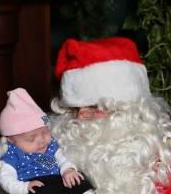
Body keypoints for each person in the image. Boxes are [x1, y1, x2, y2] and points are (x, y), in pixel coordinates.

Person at [50, 37, 171, 194]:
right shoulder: (53, 156)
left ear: (131, 112)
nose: (80, 116)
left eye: (94, 107)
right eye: (74, 109)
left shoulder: (161, 165)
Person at [0, 88, 93, 194]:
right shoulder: (13, 155)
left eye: (45, 133)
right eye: (31, 138)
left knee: (79, 182)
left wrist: (68, 170)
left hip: (58, 179)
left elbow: (62, 157)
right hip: (34, 183)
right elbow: (5, 178)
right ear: (11, 140)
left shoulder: (50, 146)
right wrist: (23, 187)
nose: (41, 140)